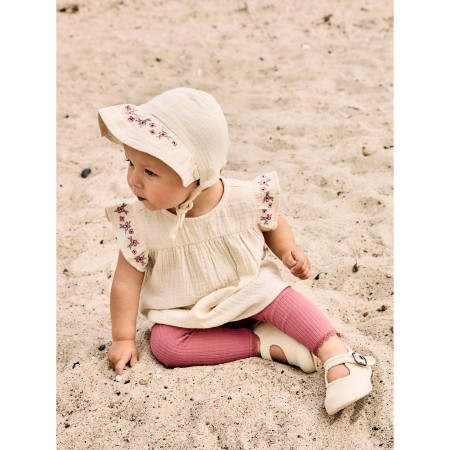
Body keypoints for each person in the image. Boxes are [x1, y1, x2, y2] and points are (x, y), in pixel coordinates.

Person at [98, 87, 375, 415]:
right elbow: (126, 282)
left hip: (247, 291)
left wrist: (287, 250)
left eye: (149, 172)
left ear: (197, 174)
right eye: (130, 163)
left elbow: (272, 223)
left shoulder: (243, 198)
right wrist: (123, 338)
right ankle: (262, 343)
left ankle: (338, 355)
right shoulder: (140, 223)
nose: (133, 180)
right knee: (165, 345)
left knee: (280, 296)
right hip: (189, 310)